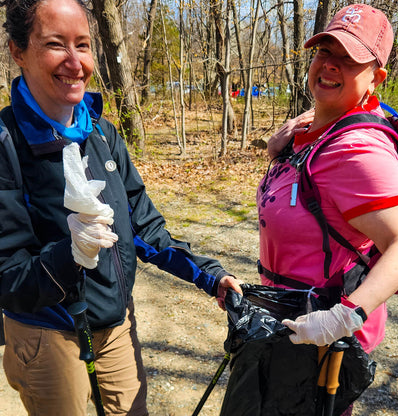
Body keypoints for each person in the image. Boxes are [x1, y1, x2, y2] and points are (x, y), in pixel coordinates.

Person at [0, 0, 242, 415]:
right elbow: (7, 275)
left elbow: (144, 227)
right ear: (17, 51)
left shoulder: (103, 133)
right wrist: (69, 255)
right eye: (56, 44)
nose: (75, 62)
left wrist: (209, 276)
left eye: (83, 44)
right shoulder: (6, 142)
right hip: (48, 333)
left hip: (114, 323)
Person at [220, 4, 398, 416]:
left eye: (349, 59)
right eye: (325, 51)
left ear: (375, 78)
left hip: (320, 335)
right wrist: (282, 149)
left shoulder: (356, 148)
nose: (330, 65)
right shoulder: (319, 129)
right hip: (289, 320)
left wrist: (344, 318)